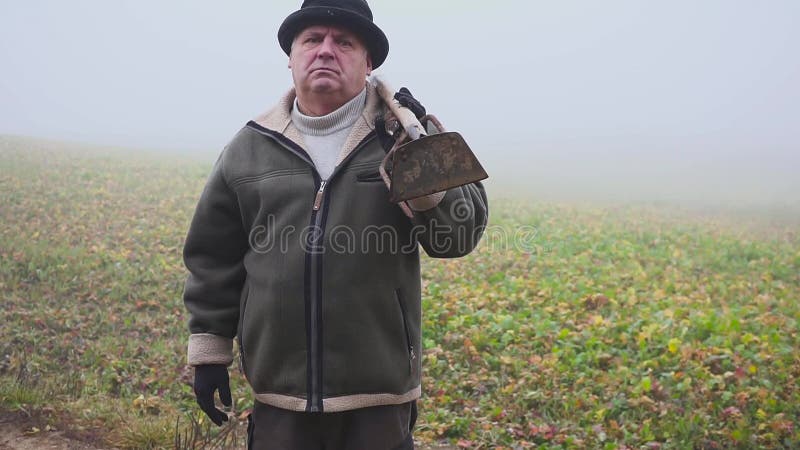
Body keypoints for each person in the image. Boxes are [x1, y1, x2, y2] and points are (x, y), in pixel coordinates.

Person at [182, 0, 488, 448]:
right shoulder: (249, 148)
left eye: (344, 42)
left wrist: (421, 161)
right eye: (312, 40)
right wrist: (209, 353)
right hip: (279, 395)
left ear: (368, 63)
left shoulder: (404, 134)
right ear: (291, 57)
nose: (326, 50)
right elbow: (214, 257)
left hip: (379, 399)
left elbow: (460, 236)